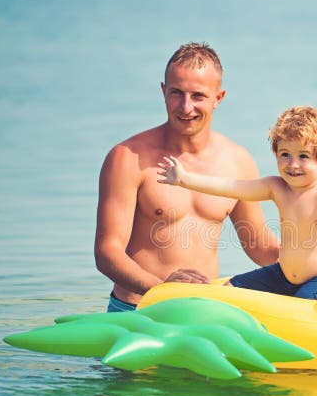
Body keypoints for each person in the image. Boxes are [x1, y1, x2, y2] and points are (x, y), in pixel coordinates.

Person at [95, 42, 279, 312]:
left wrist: (315, 266)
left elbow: (259, 245)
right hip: (137, 309)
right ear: (163, 92)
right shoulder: (127, 158)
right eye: (176, 93)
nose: (185, 106)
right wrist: (163, 289)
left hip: (200, 311)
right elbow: (107, 252)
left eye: (198, 96)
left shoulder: (237, 161)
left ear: (219, 98)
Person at [157, 106, 317, 302]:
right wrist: (185, 179)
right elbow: (232, 187)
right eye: (285, 154)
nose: (292, 164)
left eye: (303, 156)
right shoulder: (276, 187)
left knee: (309, 304)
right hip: (282, 274)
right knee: (230, 289)